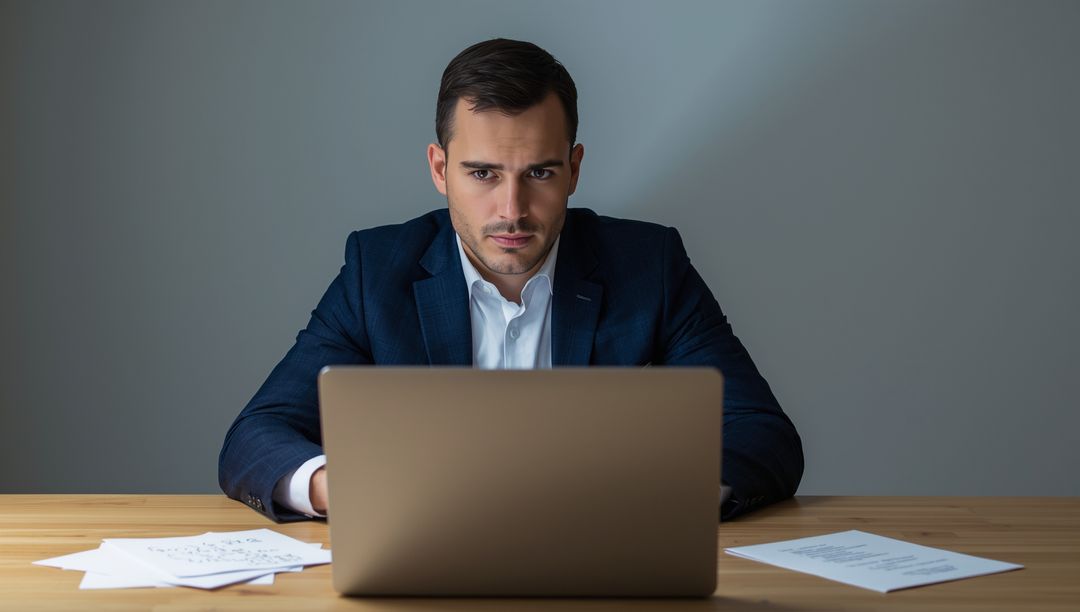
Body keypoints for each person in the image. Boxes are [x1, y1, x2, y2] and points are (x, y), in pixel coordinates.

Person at [218, 38, 803, 523]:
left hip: (601, 567)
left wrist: (666, 496)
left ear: (574, 170)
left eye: (540, 173)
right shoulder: (378, 270)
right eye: (482, 173)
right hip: (426, 562)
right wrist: (334, 487)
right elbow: (257, 434)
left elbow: (762, 434)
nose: (512, 209)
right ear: (439, 169)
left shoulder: (649, 265)